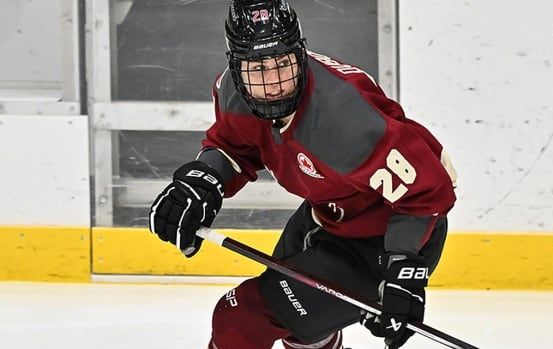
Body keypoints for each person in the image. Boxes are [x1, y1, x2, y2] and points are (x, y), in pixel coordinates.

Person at [148, 0, 458, 348]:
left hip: (384, 239)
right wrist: (200, 184)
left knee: (241, 318)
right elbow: (234, 146)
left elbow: (429, 190)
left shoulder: (342, 118)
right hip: (326, 216)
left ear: (300, 53)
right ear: (235, 67)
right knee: (299, 328)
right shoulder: (234, 93)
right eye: (258, 68)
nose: (275, 82)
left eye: (283, 63)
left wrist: (403, 273)